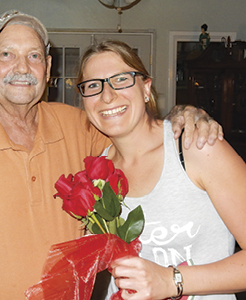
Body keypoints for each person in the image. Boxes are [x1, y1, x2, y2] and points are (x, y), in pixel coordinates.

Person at [0, 10, 221, 300]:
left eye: (35, 56)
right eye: (6, 54)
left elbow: (139, 134)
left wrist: (183, 115)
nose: (23, 67)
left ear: (48, 67)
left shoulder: (79, 127)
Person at [76, 40, 246, 300]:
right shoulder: (95, 173)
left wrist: (172, 281)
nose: (106, 95)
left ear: (146, 88)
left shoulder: (196, 147)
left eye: (121, 79)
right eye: (92, 85)